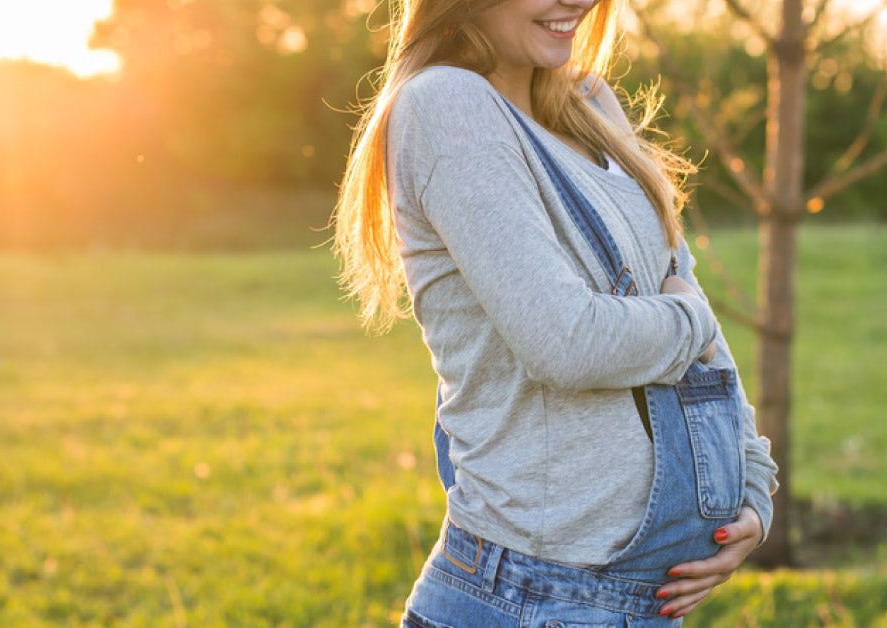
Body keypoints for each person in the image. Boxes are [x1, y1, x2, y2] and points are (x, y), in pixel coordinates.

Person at [333, 0, 779, 624]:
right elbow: (568, 343)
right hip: (526, 598)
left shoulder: (591, 104)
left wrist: (754, 484)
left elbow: (683, 290)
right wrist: (692, 322)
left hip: (639, 606)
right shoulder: (446, 104)